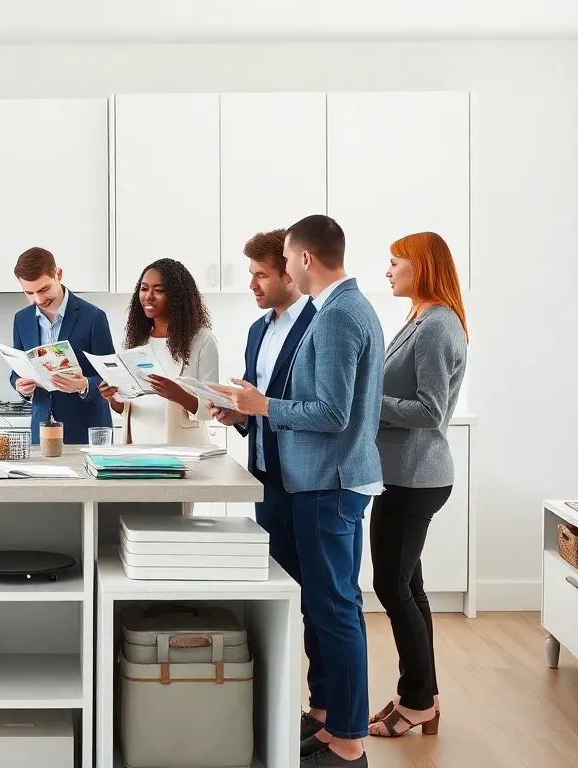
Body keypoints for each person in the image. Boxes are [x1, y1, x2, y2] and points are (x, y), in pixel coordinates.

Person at [212, 215, 384, 767]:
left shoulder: (335, 316)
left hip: (326, 482)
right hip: (308, 480)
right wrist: (247, 409)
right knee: (323, 605)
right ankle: (329, 716)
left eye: (283, 259)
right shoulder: (341, 309)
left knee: (335, 608)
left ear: (304, 259)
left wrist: (263, 406)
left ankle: (350, 741)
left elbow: (332, 413)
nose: (279, 270)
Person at [366, 232, 467, 739]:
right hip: (402, 474)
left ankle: (418, 702)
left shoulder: (436, 326)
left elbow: (430, 411)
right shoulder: (422, 319)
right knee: (409, 587)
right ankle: (420, 696)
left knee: (391, 586)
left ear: (421, 266)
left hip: (414, 476)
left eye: (394, 262)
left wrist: (368, 401)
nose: (387, 271)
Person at [211, 228, 318, 696]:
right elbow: (259, 406)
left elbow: (320, 407)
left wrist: (259, 406)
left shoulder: (319, 321)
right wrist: (237, 413)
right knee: (279, 596)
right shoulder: (258, 330)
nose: (252, 284)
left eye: (261, 275)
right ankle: (283, 703)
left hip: (310, 481)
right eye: (250, 275)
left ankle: (325, 706)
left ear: (291, 274)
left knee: (321, 601)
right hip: (265, 478)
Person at [97, 258, 219, 445]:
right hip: (139, 445)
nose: (148, 296)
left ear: (178, 296)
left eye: (159, 290)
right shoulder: (138, 339)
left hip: (182, 446)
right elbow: (129, 407)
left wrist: (177, 394)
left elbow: (211, 408)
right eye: (144, 289)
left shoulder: (202, 340)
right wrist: (112, 398)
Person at [10, 246, 115, 444]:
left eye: (44, 289)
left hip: (86, 429)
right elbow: (17, 369)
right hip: (41, 431)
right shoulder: (21, 319)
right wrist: (19, 385)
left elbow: (110, 375)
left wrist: (84, 385)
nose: (38, 299)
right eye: (29, 293)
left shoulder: (93, 317)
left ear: (58, 274)